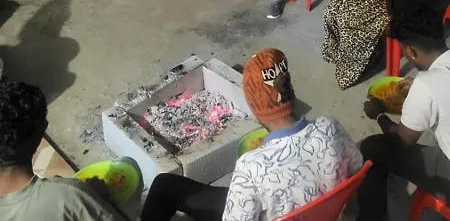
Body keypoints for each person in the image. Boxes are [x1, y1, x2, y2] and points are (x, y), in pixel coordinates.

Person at [140, 48, 362, 221]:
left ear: (254, 107)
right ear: (289, 91)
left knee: (164, 186)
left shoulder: (251, 167)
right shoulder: (330, 128)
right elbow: (355, 168)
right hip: (318, 212)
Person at [358, 6, 450, 221]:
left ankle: (372, 217)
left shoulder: (426, 84)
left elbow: (403, 140)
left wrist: (379, 115)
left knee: (372, 146)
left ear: (411, 52)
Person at [0, 81, 127, 220]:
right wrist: (99, 198)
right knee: (135, 168)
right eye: (44, 121)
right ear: (36, 134)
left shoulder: (63, 194)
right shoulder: (69, 196)